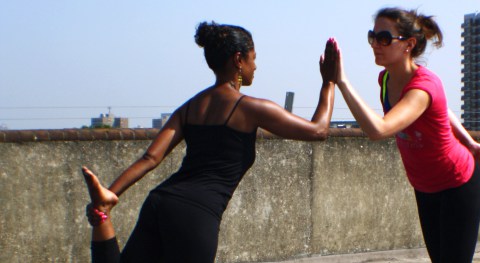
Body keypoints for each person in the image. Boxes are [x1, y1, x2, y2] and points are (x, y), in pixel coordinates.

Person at [82, 21, 339, 263]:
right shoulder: (250, 108)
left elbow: (150, 158)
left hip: (160, 201)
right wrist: (328, 82)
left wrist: (112, 192)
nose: (256, 66)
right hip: (195, 215)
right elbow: (318, 130)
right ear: (239, 59)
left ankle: (102, 215)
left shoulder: (190, 106)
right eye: (254, 58)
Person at [332, 7, 480, 263]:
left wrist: (342, 82)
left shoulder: (424, 85)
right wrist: (470, 142)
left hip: (457, 183)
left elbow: (379, 129)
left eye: (384, 38)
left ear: (408, 44)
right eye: (372, 37)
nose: (376, 44)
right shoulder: (386, 79)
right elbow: (443, 110)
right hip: (424, 187)